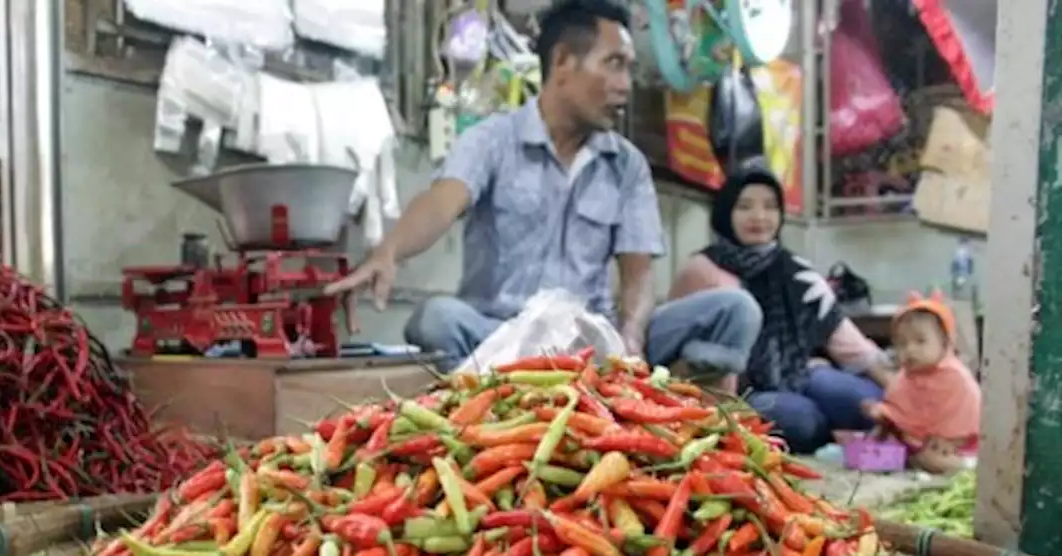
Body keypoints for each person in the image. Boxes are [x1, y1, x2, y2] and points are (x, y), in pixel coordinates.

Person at [325, 0, 761, 375]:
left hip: (592, 345)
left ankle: (676, 417)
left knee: (735, 309)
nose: (625, 85)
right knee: (437, 319)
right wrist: (388, 252)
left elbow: (638, 274)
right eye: (614, 64)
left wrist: (631, 340)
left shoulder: (627, 165)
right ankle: (512, 406)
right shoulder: (493, 139)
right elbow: (442, 201)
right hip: (501, 336)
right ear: (563, 64)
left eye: (628, 69)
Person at [669, 165, 894, 453]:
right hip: (736, 391)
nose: (759, 217)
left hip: (797, 375)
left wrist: (905, 394)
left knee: (869, 401)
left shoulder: (797, 272)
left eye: (770, 207)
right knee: (801, 419)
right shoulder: (701, 269)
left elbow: (851, 345)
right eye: (745, 206)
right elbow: (671, 342)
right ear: (725, 212)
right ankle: (827, 435)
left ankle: (831, 431)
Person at [863, 292, 981, 473]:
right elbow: (900, 412)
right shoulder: (905, 378)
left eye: (920, 341)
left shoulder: (956, 378)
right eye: (902, 344)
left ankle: (965, 465)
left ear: (944, 342)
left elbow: (969, 418)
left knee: (939, 462)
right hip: (915, 442)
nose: (910, 350)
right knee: (875, 448)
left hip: (953, 445)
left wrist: (952, 441)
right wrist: (883, 415)